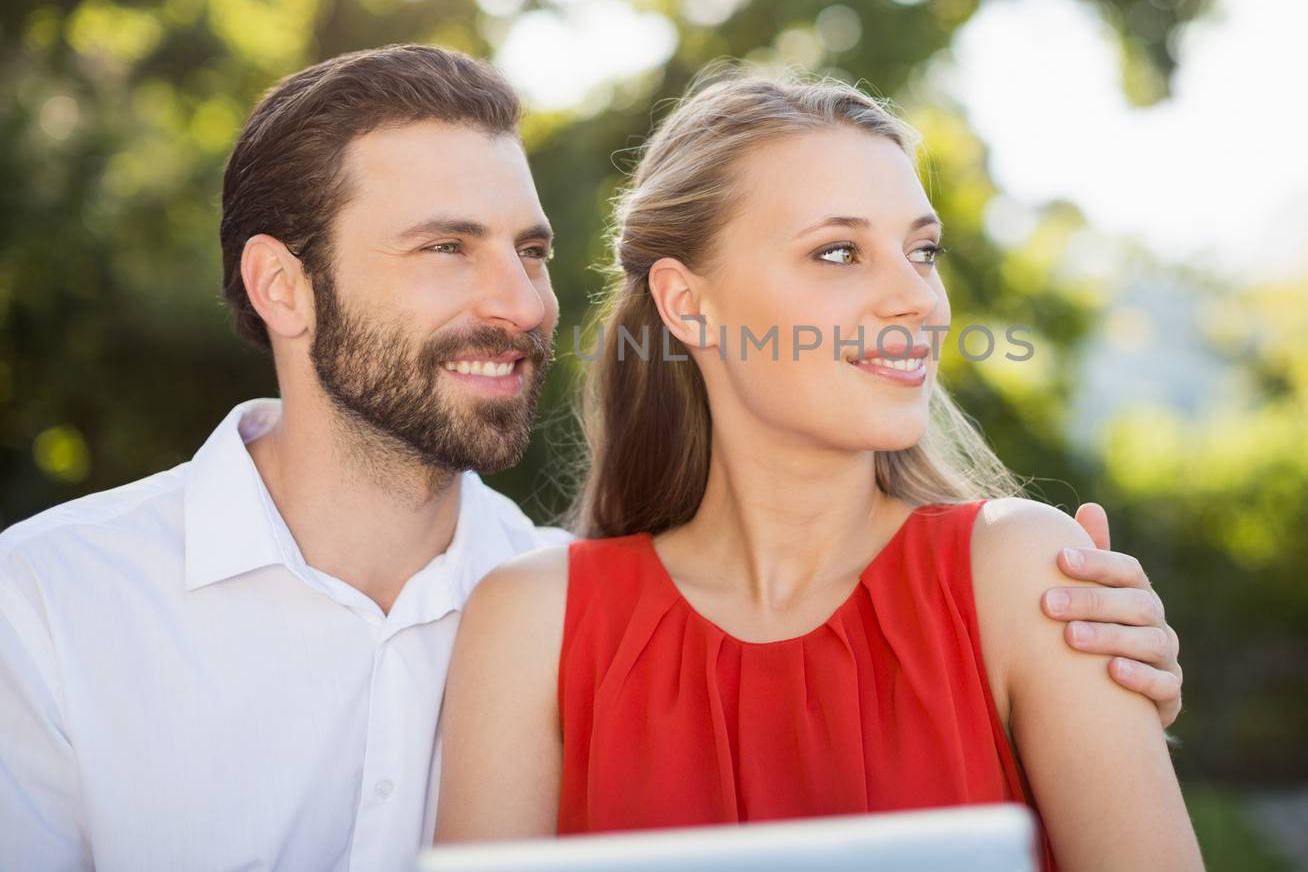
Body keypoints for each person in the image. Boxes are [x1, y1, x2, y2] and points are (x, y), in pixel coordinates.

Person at [0, 46, 1184, 872]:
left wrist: (1101, 690)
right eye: (446, 247)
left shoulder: (1027, 581)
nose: (519, 302)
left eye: (529, 248)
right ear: (282, 286)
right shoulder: (51, 602)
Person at [435, 70, 1203, 870]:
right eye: (839, 252)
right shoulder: (532, 623)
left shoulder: (1029, 578)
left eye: (923, 250)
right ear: (688, 303)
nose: (919, 299)